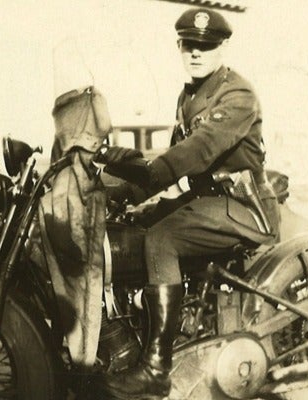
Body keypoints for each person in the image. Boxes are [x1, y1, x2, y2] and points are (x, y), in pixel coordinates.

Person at [98, 7, 280, 399]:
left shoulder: (237, 94)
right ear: (180, 46)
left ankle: (156, 369)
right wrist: (122, 190)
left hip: (243, 207)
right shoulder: (190, 95)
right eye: (189, 45)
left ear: (223, 47)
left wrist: (144, 173)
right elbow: (176, 158)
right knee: (135, 226)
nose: (196, 53)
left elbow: (195, 153)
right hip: (208, 201)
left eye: (207, 45)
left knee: (161, 240)